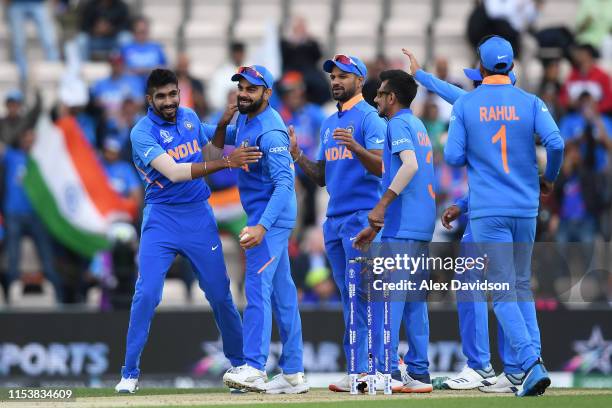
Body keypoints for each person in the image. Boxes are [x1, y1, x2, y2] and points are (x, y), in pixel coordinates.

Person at [115, 68, 263, 393]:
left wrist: (258, 127)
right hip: (162, 219)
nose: (169, 102)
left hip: (198, 215)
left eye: (173, 94)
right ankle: (129, 373)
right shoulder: (141, 133)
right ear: (149, 99)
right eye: (161, 97)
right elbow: (177, 172)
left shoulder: (189, 117)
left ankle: (240, 367)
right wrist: (227, 161)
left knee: (220, 295)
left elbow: (210, 146)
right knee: (147, 294)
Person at [444, 36, 564, 397]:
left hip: (488, 211)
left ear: (479, 67)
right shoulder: (531, 102)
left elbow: (452, 157)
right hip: (526, 208)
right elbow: (556, 144)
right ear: (512, 66)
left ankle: (530, 363)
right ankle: (520, 370)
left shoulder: (466, 103)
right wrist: (549, 179)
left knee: (500, 290)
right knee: (520, 285)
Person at [288, 55, 391, 392]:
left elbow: (381, 167)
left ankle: (374, 368)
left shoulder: (370, 119)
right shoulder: (330, 123)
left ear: (359, 81)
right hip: (334, 221)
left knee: (363, 295)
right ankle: (358, 369)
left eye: (343, 76)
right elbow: (321, 176)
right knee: (349, 298)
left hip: (362, 217)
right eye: (333, 76)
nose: (335, 81)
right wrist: (298, 156)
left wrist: (355, 146)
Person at [217, 65, 308, 394]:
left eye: (251, 88)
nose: (243, 92)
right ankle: (294, 372)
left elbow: (286, 185)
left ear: (267, 94)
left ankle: (255, 367)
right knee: (283, 293)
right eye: (241, 87)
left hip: (272, 218)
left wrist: (261, 227)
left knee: (257, 285)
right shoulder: (244, 118)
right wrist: (192, 123)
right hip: (263, 216)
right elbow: (219, 138)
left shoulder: (270, 131)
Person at [353, 69, 436, 393]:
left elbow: (410, 165)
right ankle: (418, 372)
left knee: (388, 299)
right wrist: (378, 225)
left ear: (392, 98)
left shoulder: (398, 123)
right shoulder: (418, 125)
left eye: (380, 93)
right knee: (415, 301)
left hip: (402, 226)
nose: (375, 98)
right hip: (419, 225)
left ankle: (386, 371)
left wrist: (382, 205)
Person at [1, 129, 64, 303]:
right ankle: (9, 301)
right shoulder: (12, 156)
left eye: (32, 139)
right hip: (14, 214)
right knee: (13, 260)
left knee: (47, 259)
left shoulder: (42, 161)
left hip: (37, 215)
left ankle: (58, 300)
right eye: (26, 139)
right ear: (21, 141)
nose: (29, 142)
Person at [277, 71, 326, 228]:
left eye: (295, 90)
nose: (292, 96)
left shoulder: (314, 112)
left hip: (309, 170)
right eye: (288, 92)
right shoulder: (278, 115)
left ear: (301, 90)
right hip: (286, 171)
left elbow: (329, 132)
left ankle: (309, 238)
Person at [7, 0, 60, 81]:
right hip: (17, 4)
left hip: (37, 3)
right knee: (18, 42)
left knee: (49, 39)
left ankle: (54, 67)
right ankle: (23, 74)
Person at [120, 16, 168, 82]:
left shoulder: (156, 48)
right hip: (131, 84)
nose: (142, 35)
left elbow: (165, 67)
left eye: (144, 32)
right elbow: (121, 68)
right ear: (134, 31)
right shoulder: (126, 48)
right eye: (139, 31)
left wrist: (144, 70)